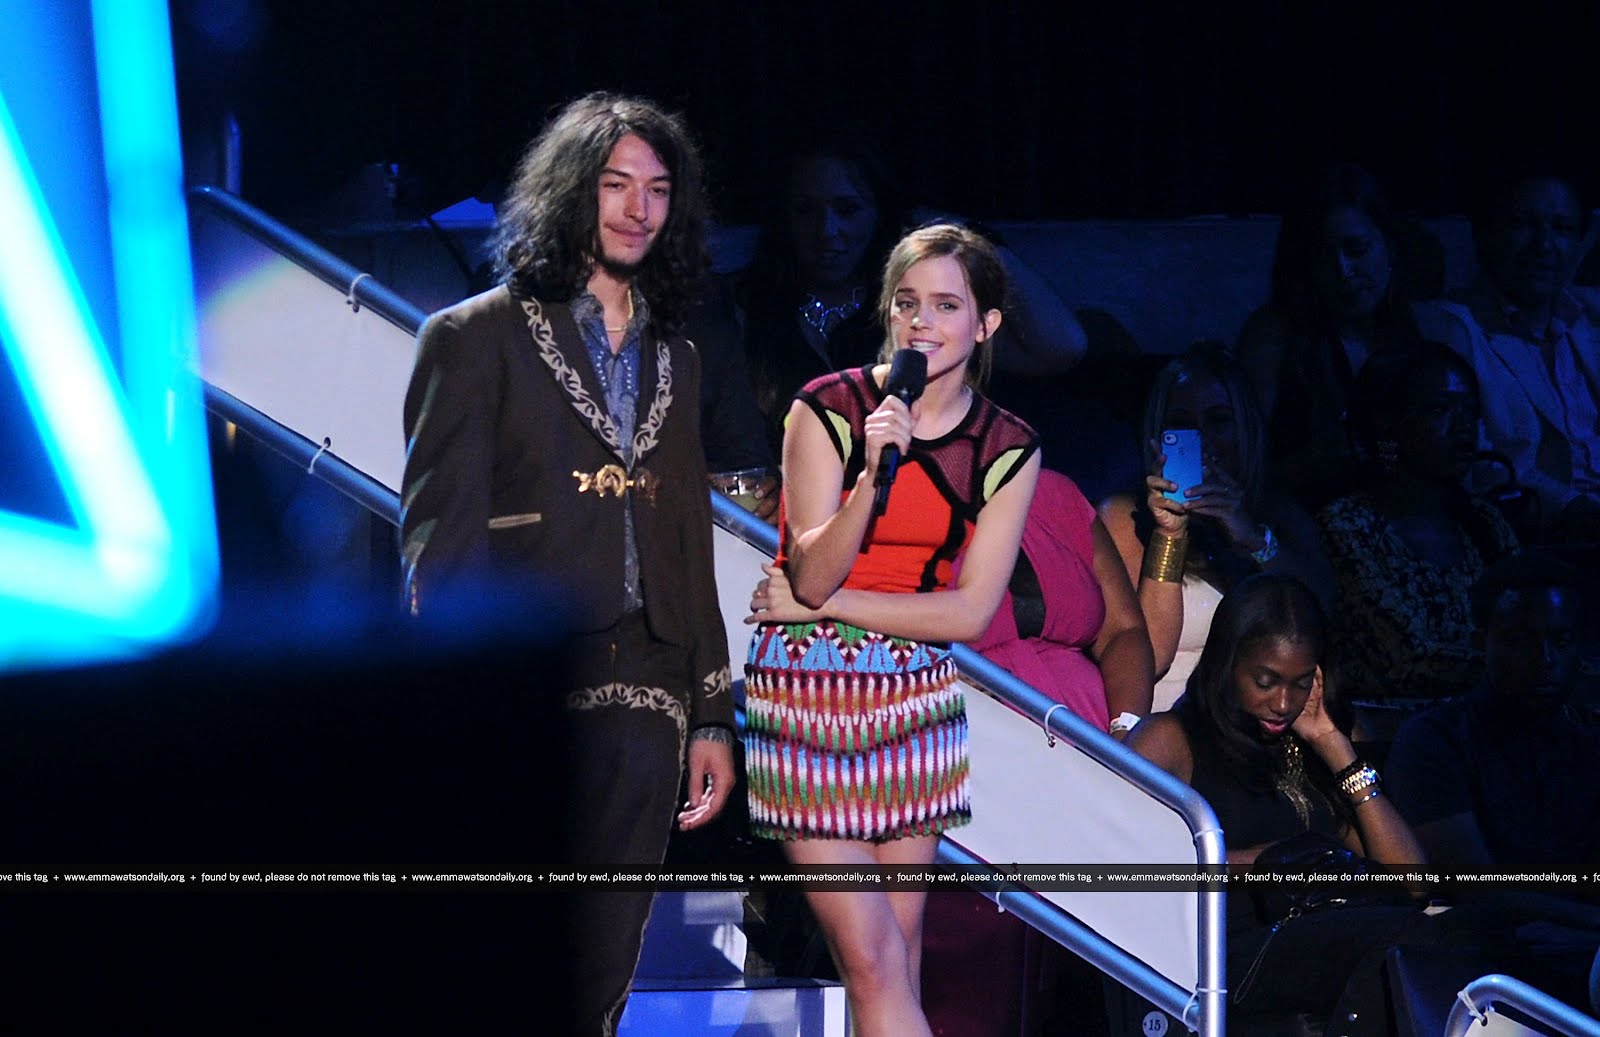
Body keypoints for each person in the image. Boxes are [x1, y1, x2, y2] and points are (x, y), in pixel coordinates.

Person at [396, 93, 736, 1036]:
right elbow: (439, 541)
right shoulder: (474, 337)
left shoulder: (679, 357)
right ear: (571, 191)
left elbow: (688, 537)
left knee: (604, 960)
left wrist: (713, 710)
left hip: (653, 681)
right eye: (616, 184)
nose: (637, 208)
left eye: (657, 190)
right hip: (528, 675)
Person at [741, 222, 1041, 1036]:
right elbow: (810, 571)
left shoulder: (1008, 446)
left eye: (945, 305)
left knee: (899, 957)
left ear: (985, 324)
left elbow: (968, 611)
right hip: (807, 695)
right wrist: (874, 474)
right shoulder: (827, 407)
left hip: (915, 699)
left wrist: (831, 604)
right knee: (873, 960)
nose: (921, 322)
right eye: (907, 302)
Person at [1127, 573, 1440, 1031]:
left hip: (1325, 937)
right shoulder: (1172, 739)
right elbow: (1118, 866)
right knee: (1398, 940)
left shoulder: (1312, 748)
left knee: (1471, 929)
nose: (1283, 702)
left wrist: (1333, 744)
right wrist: (1266, 864)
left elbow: (1413, 883)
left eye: (1300, 683)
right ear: (1227, 664)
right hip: (1220, 956)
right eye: (1266, 681)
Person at [921, 466, 1152, 1037]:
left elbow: (1124, 630)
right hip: (970, 769)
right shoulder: (885, 505)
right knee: (981, 990)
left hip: (1091, 762)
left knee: (1092, 987)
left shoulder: (1051, 492)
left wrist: (1123, 739)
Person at [735, 128, 1086, 460]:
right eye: (805, 209)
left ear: (880, 212)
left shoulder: (917, 313)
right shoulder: (745, 307)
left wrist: (956, 235)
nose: (827, 230)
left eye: (848, 210)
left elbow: (1063, 347)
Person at [1387, 548, 1600, 1010]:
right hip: (1495, 963)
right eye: (1521, 640)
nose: (1544, 659)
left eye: (1561, 640)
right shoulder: (1436, 740)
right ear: (1482, 642)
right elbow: (1476, 886)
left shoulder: (1587, 739)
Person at [1099, 342, 1331, 713]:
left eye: (1218, 421)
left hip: (1257, 724)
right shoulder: (1125, 518)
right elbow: (1149, 658)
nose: (1202, 437)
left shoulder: (1280, 515)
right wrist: (1169, 536)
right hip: (1161, 725)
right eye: (1182, 424)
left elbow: (1321, 622)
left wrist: (1253, 539)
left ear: (1244, 429)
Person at [1318, 343, 1520, 731]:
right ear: (1389, 422)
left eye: (1470, 411)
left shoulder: (1484, 522)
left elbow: (1527, 619)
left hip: (1493, 728)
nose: (1463, 426)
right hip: (1393, 739)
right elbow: (1405, 659)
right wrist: (1525, 664)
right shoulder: (1349, 526)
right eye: (1440, 410)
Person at [1235, 163, 1432, 511]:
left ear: (1389, 245)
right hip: (1306, 522)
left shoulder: (1422, 329)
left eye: (1357, 250)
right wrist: (1309, 465)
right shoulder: (1274, 336)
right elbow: (1242, 473)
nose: (1343, 271)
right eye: (1323, 258)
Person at [1415, 172, 1600, 543]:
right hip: (1545, 538)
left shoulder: (1591, 313)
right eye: (1522, 224)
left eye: (1562, 228)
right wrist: (1573, 509)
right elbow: (1473, 462)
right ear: (1484, 235)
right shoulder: (1450, 326)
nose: (1543, 245)